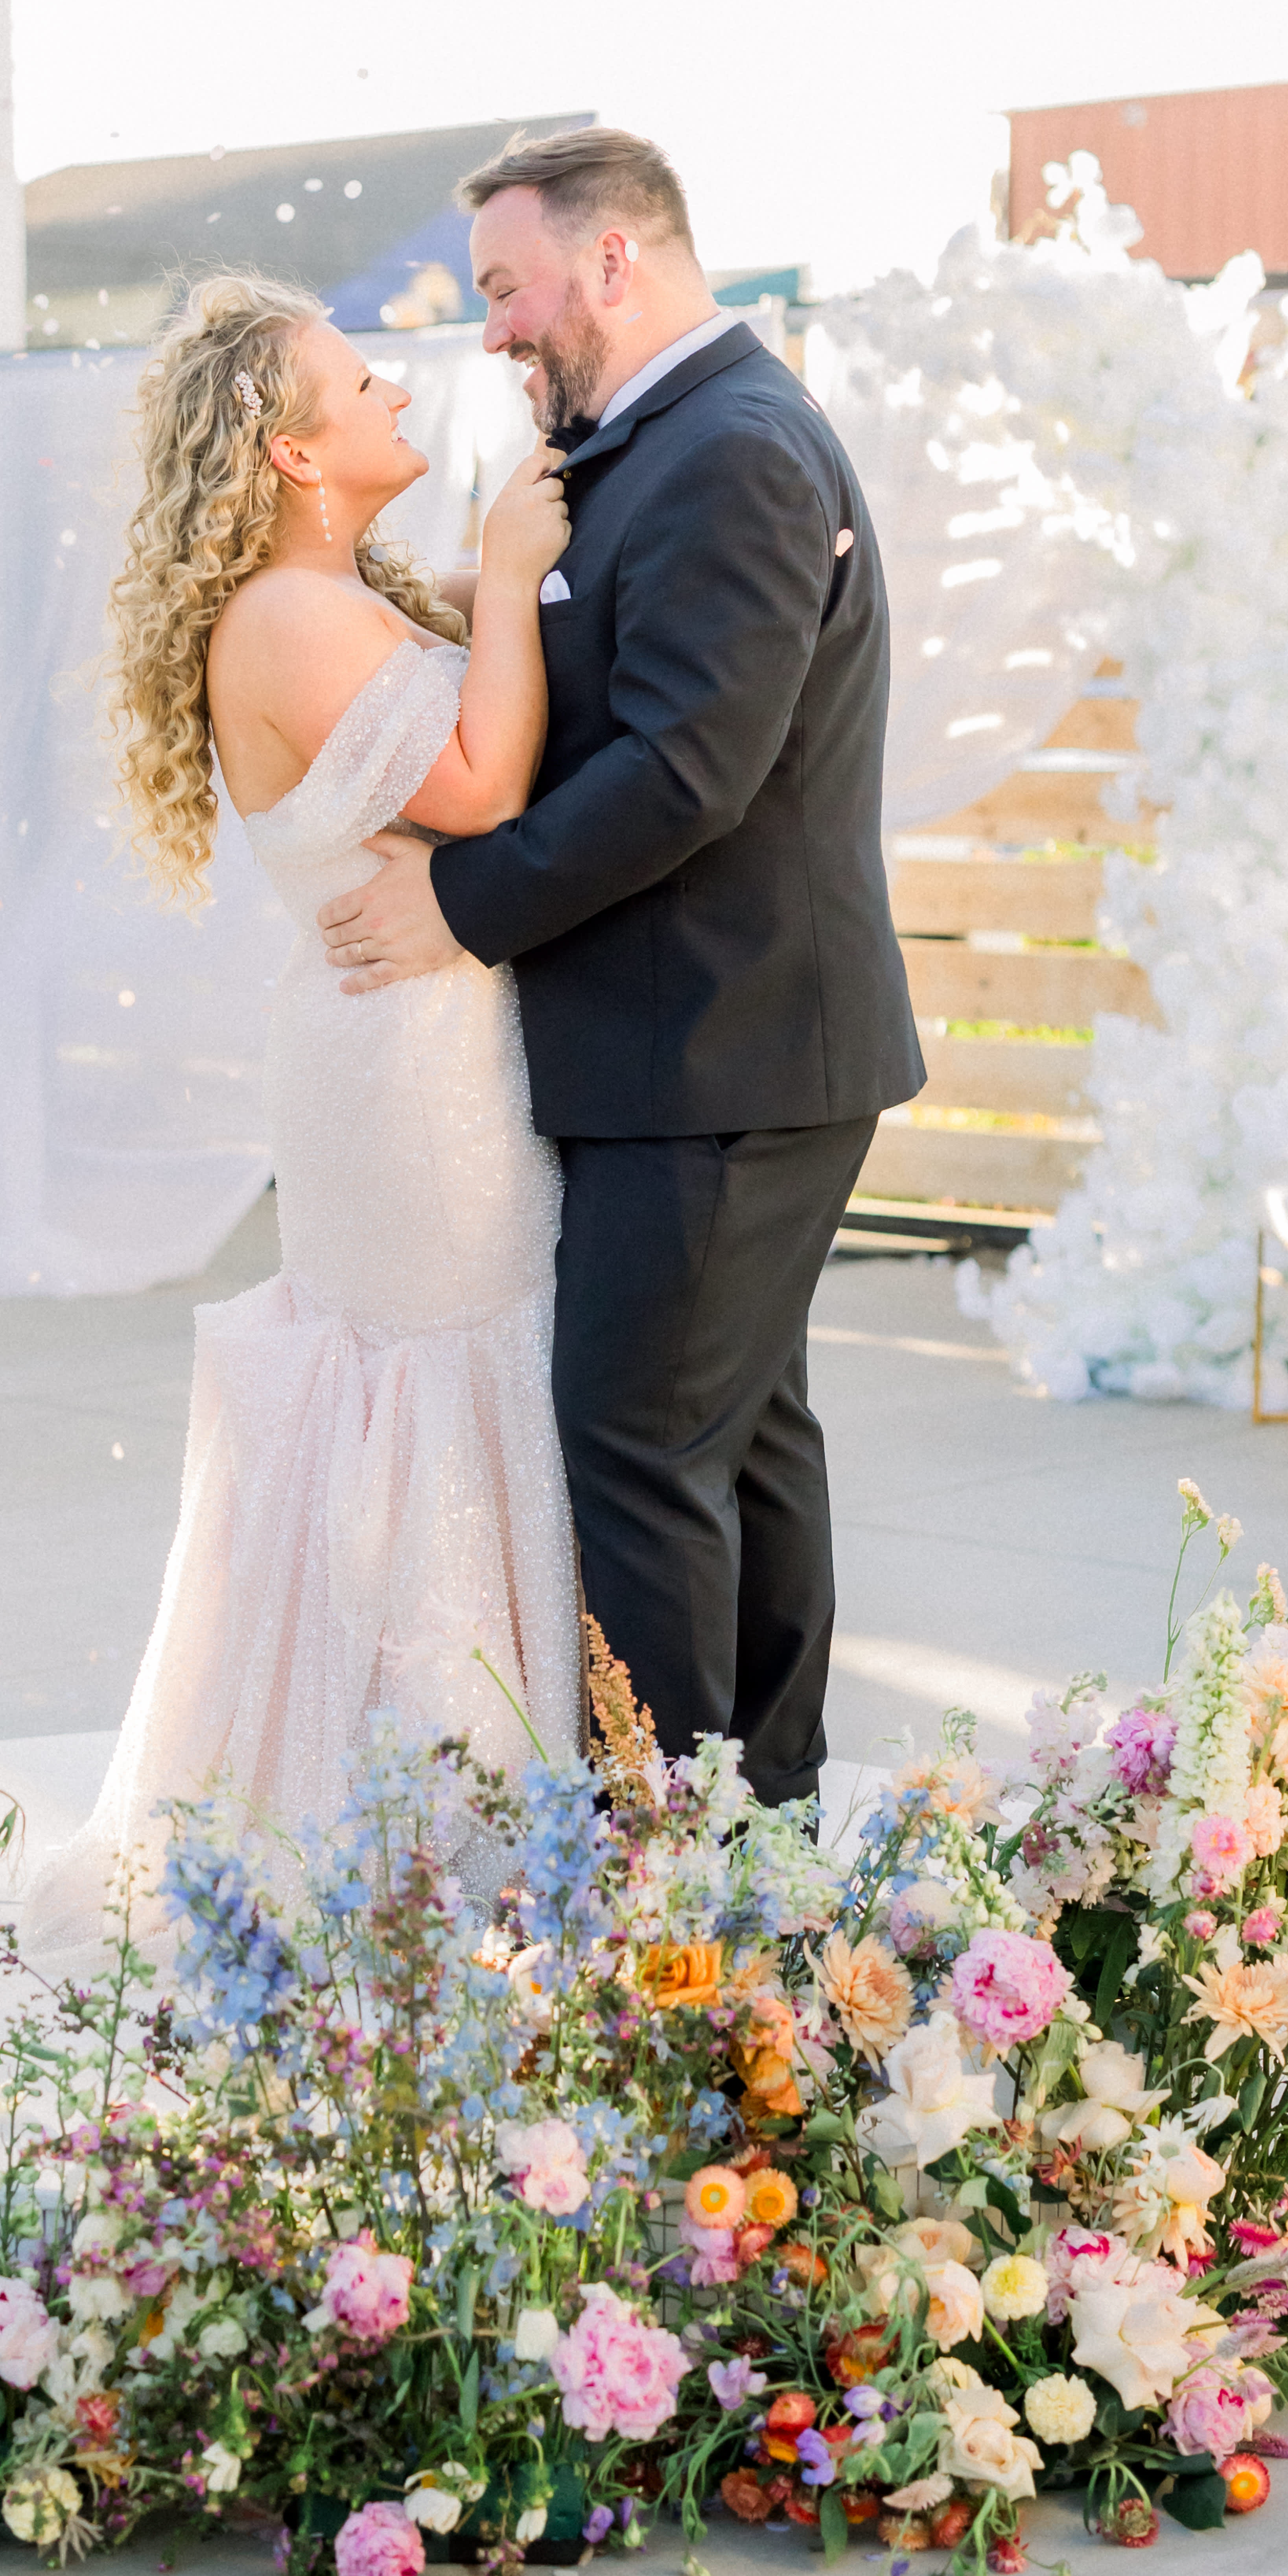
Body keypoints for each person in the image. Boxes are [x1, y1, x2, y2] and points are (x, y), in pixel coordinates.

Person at [319, 126, 922, 1809]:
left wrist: (459, 904)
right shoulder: (667, 439)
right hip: (712, 1045)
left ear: (613, 258)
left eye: (507, 289)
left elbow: (685, 772)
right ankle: (760, 1827)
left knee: (640, 1449)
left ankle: (667, 1864)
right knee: (741, 1444)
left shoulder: (731, 449)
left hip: (721, 1050)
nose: (495, 330)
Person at [12, 268, 577, 1959]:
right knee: (436, 1395)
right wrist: (506, 575)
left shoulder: (331, 595)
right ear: (291, 450)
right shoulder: (284, 614)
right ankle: (422, 1840)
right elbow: (483, 788)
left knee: (450, 1389)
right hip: (407, 1079)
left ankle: (442, 1816)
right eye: (360, 381)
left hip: (422, 1046)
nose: (397, 392)